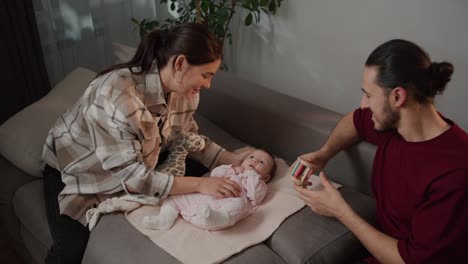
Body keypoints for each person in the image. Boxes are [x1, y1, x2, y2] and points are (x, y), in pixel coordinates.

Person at [41, 23, 252, 264]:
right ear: (180, 64)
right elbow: (134, 178)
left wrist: (230, 158)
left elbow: (186, 137)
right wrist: (199, 185)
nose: (208, 85)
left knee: (217, 179)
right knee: (71, 250)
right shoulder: (116, 94)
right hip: (77, 170)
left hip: (143, 158)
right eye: (206, 75)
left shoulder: (185, 92)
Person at [292, 39, 468, 263]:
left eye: (368, 94)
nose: (364, 104)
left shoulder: (455, 172)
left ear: (397, 97)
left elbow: (410, 260)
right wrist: (324, 154)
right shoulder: (397, 125)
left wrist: (341, 212)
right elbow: (356, 121)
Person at [142, 149, 276, 231]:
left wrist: (252, 174)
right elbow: (215, 175)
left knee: (239, 205)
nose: (255, 161)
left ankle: (214, 219)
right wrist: (231, 168)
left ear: (267, 177)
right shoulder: (231, 169)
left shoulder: (260, 184)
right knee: (177, 196)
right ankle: (165, 218)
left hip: (224, 206)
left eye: (261, 162)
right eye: (251, 157)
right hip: (205, 198)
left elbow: (255, 196)